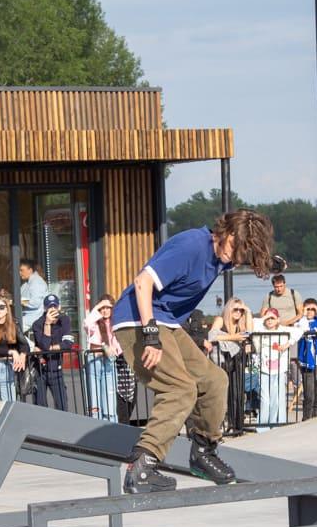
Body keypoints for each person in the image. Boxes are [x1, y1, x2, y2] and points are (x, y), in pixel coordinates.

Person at [111, 208, 279, 492]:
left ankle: (203, 452)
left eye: (243, 255)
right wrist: (150, 334)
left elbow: (243, 252)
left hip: (168, 322)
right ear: (224, 233)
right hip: (138, 319)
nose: (235, 259)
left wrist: (267, 262)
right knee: (180, 389)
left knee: (215, 380)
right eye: (235, 250)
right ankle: (142, 466)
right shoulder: (191, 246)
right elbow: (143, 282)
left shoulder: (221, 256)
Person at [208, 298, 255, 434]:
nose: (238, 312)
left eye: (241, 310)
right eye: (236, 309)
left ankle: (237, 424)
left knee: (238, 393)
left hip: (238, 361)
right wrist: (233, 337)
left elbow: (249, 334)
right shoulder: (220, 320)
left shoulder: (241, 324)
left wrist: (249, 312)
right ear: (229, 309)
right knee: (225, 394)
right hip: (223, 361)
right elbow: (212, 336)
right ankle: (222, 425)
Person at [29, 293, 74, 411]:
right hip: (40, 370)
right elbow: (44, 346)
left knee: (62, 406)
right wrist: (48, 324)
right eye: (49, 307)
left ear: (59, 307)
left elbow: (68, 343)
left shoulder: (64, 320)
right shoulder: (38, 324)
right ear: (45, 309)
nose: (52, 309)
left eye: (55, 306)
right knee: (41, 407)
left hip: (56, 369)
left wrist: (51, 348)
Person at [83, 296, 121, 422]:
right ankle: (95, 425)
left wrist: (111, 349)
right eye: (102, 308)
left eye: (108, 307)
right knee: (94, 399)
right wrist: (97, 307)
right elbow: (86, 323)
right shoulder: (95, 322)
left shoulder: (115, 323)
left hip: (109, 361)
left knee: (110, 398)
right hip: (94, 361)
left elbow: (118, 345)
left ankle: (111, 426)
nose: (105, 311)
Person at [19, 259, 49, 333]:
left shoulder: (37, 282)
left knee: (12, 331)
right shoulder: (26, 283)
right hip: (26, 316)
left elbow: (35, 303)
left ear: (30, 270)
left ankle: (30, 345)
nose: (20, 273)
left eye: (21, 270)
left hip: (33, 317)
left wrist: (19, 301)